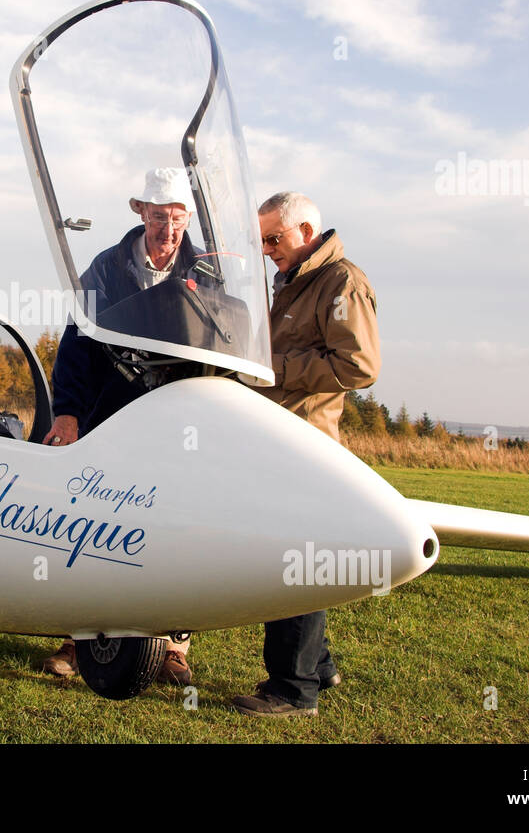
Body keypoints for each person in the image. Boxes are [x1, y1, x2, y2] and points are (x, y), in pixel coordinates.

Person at [39, 167, 200, 686]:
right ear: (140, 214)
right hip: (111, 416)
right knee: (93, 523)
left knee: (176, 530)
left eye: (177, 219)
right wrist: (68, 412)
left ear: (188, 218)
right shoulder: (106, 268)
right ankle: (76, 637)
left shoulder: (207, 272)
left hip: (175, 424)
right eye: (158, 217)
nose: (168, 230)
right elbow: (77, 342)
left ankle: (172, 646)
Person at [231, 191, 380, 718]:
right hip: (276, 437)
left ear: (307, 231)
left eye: (275, 238)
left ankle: (292, 691)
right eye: (262, 239)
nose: (267, 249)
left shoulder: (342, 282)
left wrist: (273, 369)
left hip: (304, 442)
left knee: (291, 561)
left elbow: (358, 367)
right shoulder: (295, 280)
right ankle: (318, 666)